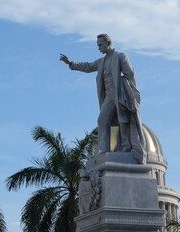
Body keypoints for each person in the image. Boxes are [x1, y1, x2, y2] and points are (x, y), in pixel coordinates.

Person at [60, 34, 147, 163]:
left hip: (120, 92)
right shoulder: (101, 62)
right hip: (109, 95)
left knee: (123, 120)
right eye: (98, 45)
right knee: (102, 119)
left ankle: (127, 146)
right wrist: (71, 63)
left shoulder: (120, 56)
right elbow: (88, 66)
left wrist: (129, 92)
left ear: (108, 43)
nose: (99, 48)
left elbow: (130, 74)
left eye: (100, 45)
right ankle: (104, 150)